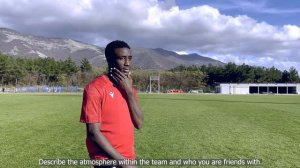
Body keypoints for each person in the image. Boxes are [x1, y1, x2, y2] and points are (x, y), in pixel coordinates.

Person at [80, 40, 144, 168]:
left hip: (128, 158)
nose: (127, 64)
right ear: (109, 60)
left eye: (129, 58)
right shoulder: (95, 88)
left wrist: (129, 93)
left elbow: (139, 124)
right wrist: (123, 163)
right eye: (122, 58)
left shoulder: (129, 89)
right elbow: (93, 132)